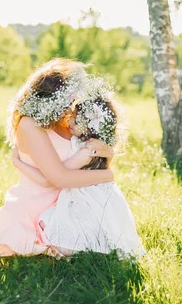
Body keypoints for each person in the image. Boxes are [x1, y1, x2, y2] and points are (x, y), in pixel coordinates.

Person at [0, 59, 114, 257]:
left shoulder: (66, 121)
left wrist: (108, 152)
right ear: (51, 100)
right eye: (67, 100)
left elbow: (90, 156)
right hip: (36, 208)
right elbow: (58, 178)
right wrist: (108, 176)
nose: (70, 108)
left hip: (72, 202)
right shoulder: (30, 125)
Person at [12, 94, 146, 260]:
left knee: (48, 224)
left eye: (75, 121)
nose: (69, 122)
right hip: (101, 195)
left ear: (89, 128)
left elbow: (50, 179)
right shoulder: (95, 146)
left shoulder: (85, 151)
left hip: (84, 198)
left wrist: (18, 163)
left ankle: (82, 250)